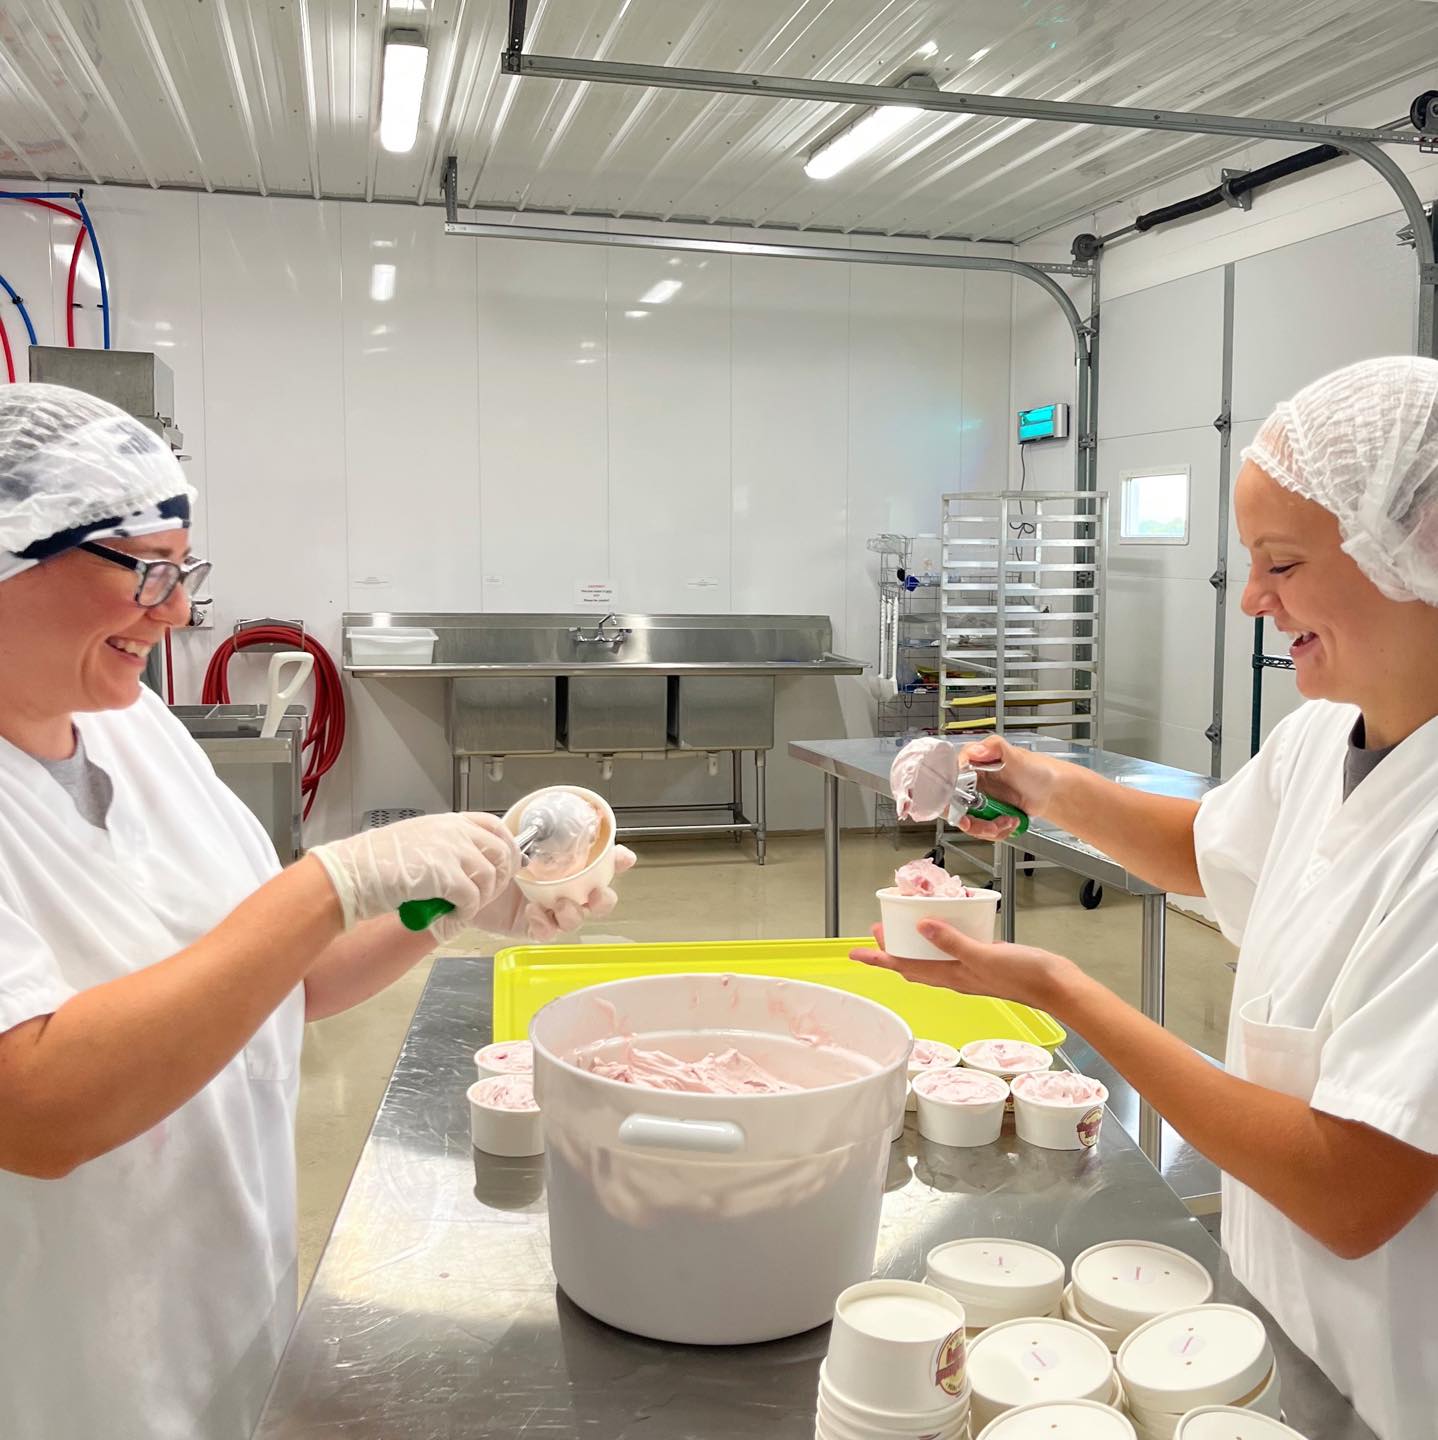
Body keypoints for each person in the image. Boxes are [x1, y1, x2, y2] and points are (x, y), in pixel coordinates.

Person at [0, 384, 634, 1440]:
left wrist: (439, 907)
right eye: (148, 573)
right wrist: (326, 881)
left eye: (183, 572)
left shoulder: (133, 726)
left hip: (221, 1299)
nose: (174, 612)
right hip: (60, 1356)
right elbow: (36, 1112)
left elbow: (278, 982)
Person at [855, 355, 1438, 1439]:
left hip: (1404, 1379)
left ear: (1420, 550)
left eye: (1283, 562)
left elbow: (1353, 1191)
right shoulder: (1330, 730)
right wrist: (1035, 784)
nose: (1254, 598)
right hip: (1285, 1342)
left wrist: (1063, 992)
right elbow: (1210, 846)